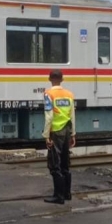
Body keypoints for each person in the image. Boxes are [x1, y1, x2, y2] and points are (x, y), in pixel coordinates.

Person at [42, 69, 76, 204]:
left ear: (50, 79)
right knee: (65, 163)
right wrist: (73, 133)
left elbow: (49, 117)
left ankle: (59, 196)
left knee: (54, 164)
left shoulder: (48, 94)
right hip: (67, 130)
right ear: (62, 79)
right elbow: (72, 115)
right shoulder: (69, 94)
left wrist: (46, 136)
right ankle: (67, 194)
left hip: (56, 131)